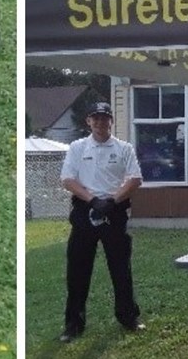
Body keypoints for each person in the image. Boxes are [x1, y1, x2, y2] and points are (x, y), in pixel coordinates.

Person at [60, 102, 144, 342]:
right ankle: (73, 324)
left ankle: (128, 317)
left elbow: (135, 179)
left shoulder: (124, 148)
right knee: (77, 270)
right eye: (95, 118)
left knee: (120, 268)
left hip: (114, 210)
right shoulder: (77, 147)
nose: (100, 123)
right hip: (85, 209)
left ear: (111, 121)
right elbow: (67, 179)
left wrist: (113, 200)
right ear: (88, 121)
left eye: (104, 118)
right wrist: (92, 200)